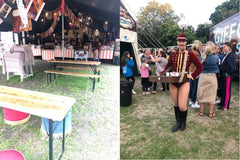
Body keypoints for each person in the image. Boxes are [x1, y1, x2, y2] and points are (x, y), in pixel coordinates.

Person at [160, 29, 203, 132]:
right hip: (173, 82)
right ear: (177, 42)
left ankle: (183, 122)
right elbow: (168, 67)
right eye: (179, 41)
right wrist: (161, 74)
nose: (181, 43)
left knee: (182, 106)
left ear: (186, 42)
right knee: (176, 104)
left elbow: (200, 67)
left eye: (183, 41)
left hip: (184, 81)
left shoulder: (191, 54)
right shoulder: (173, 54)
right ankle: (178, 122)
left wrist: (192, 76)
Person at [197, 41, 219, 118]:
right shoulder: (216, 57)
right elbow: (217, 66)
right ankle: (210, 113)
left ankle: (201, 111)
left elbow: (199, 66)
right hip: (212, 77)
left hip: (203, 77)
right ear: (213, 48)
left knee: (201, 93)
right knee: (212, 95)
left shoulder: (202, 57)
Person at [218, 42, 235, 110]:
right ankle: (222, 103)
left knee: (227, 90)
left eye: (225, 46)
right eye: (223, 47)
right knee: (223, 89)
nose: (223, 48)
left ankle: (225, 106)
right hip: (223, 75)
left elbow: (232, 67)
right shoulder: (226, 55)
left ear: (229, 47)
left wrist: (228, 73)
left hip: (227, 76)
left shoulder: (230, 55)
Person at [188, 40, 202, 108]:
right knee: (194, 87)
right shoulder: (197, 53)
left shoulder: (191, 52)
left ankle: (191, 100)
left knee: (191, 86)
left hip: (191, 70)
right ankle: (193, 102)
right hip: (195, 71)